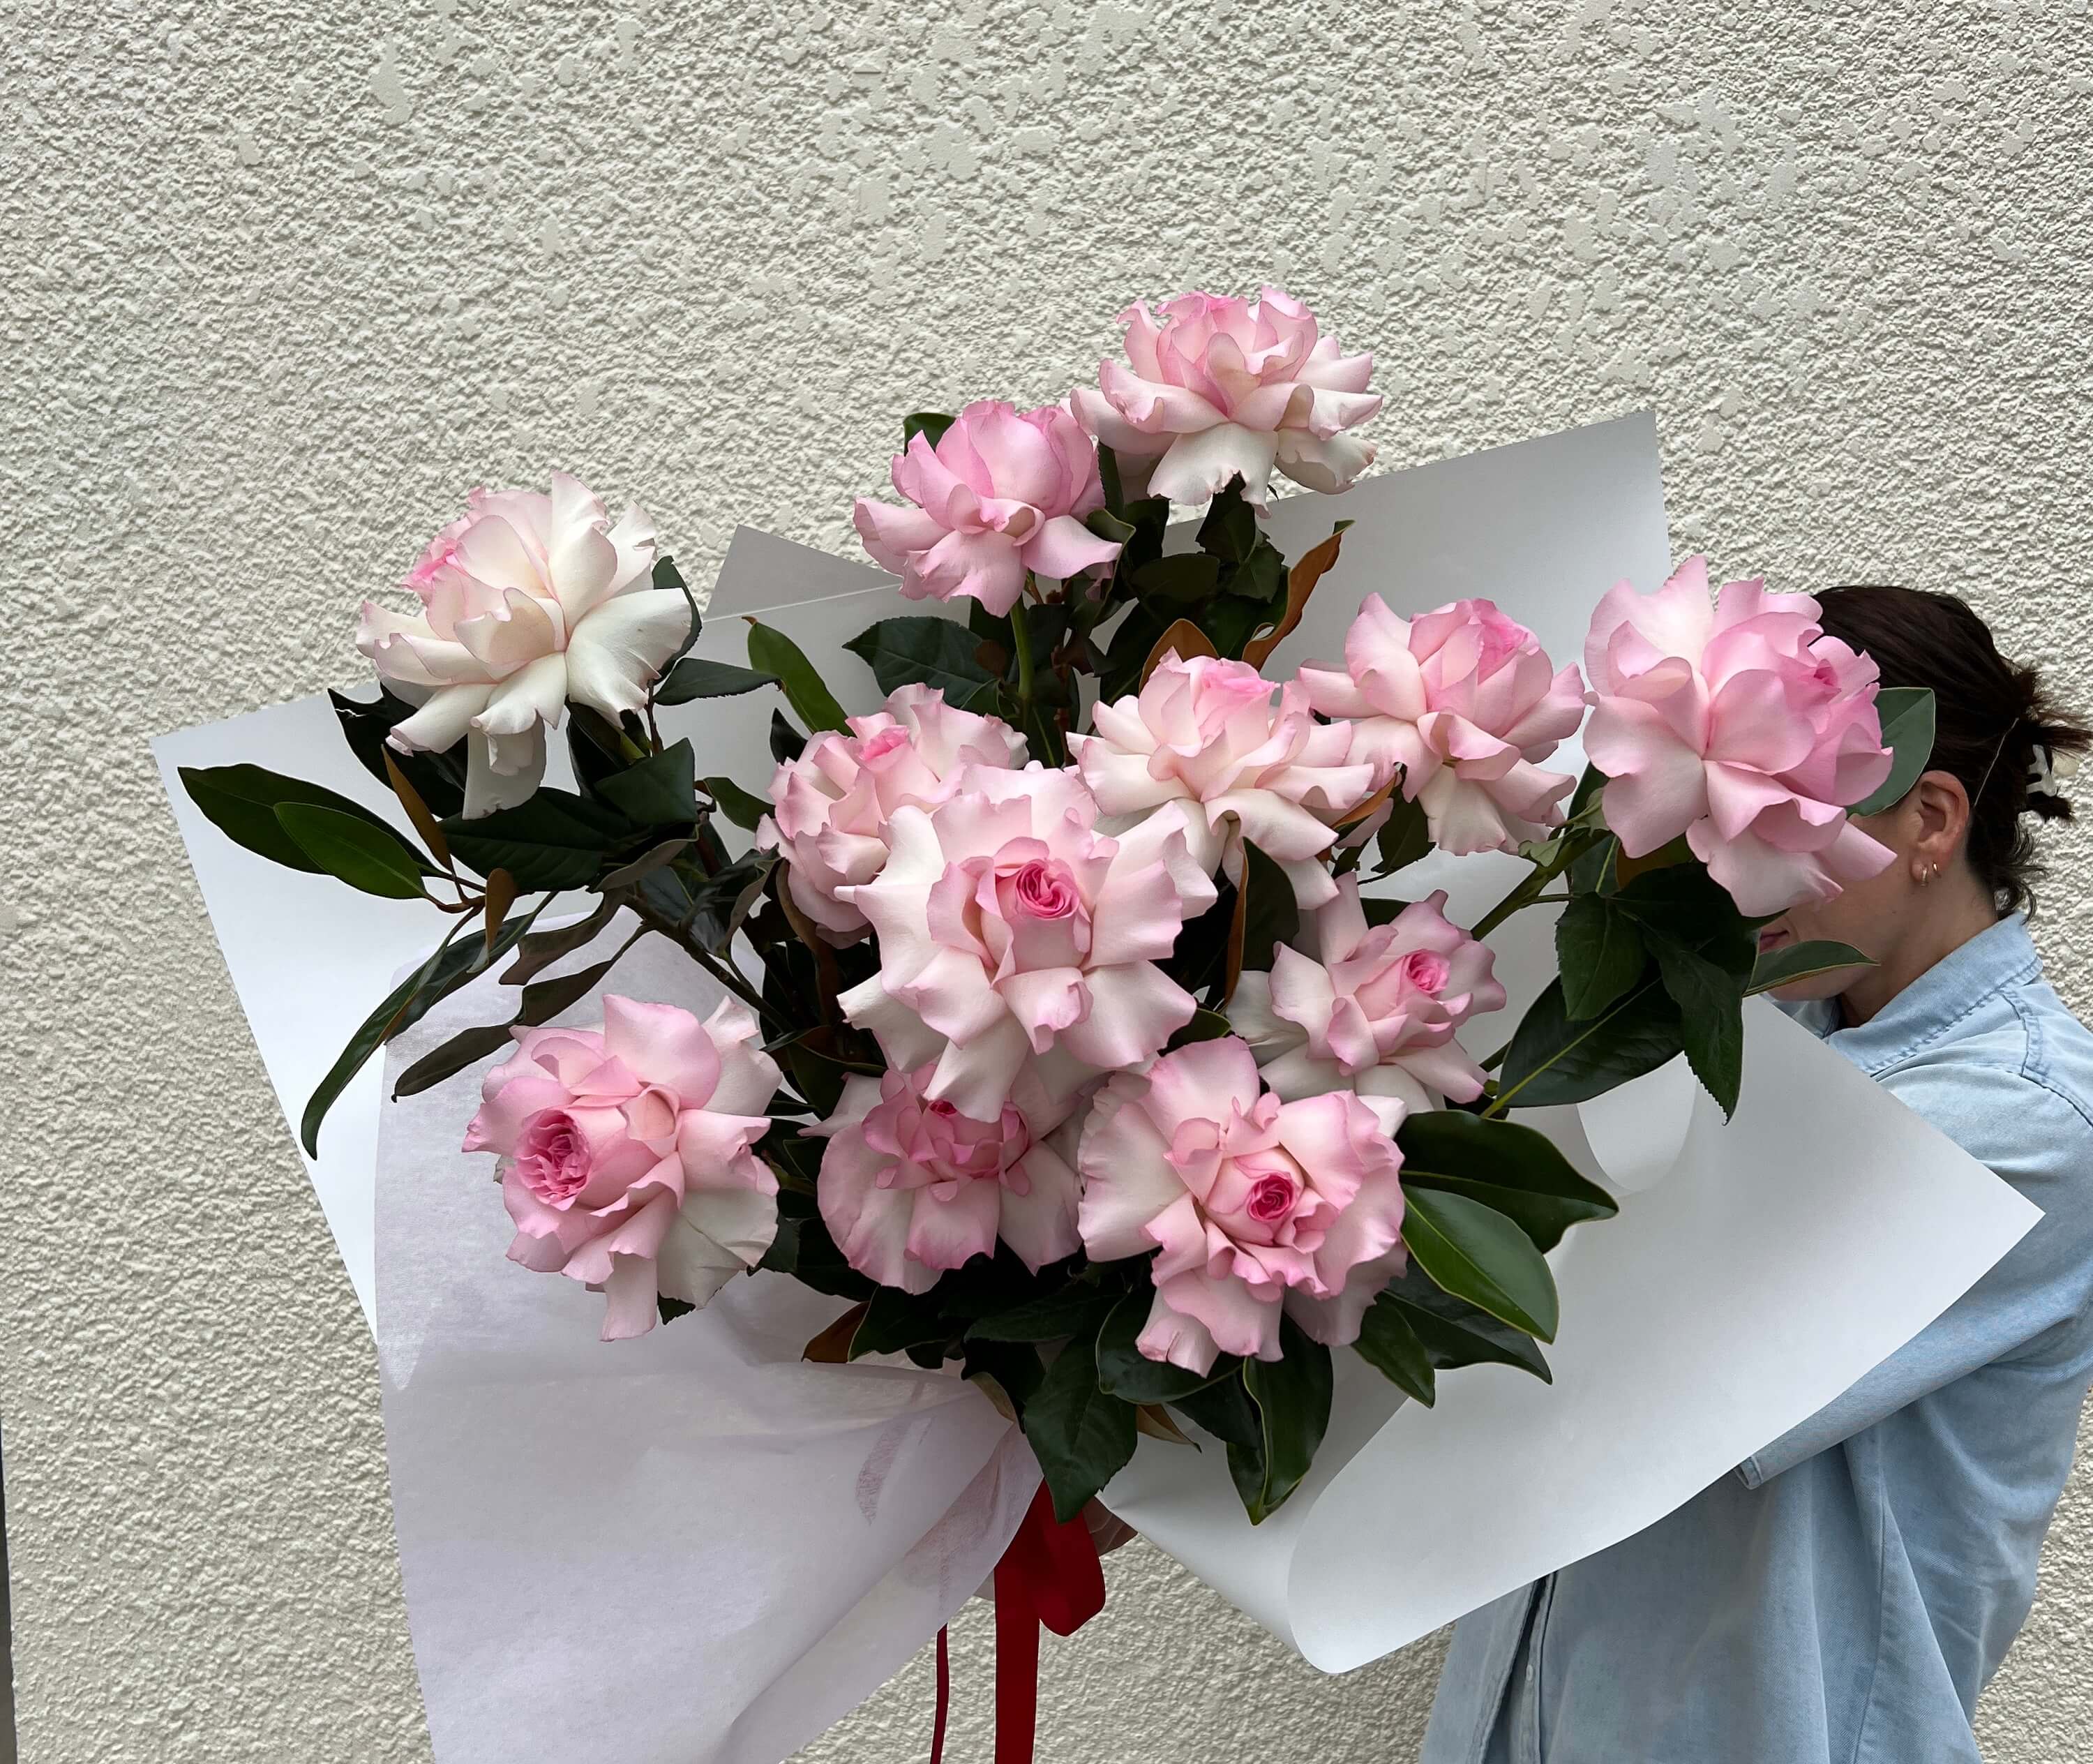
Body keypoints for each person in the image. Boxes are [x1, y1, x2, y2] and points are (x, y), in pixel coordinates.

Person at [1421, 584, 2093, 1763]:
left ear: (1930, 819)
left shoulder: (2028, 1121)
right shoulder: (1747, 1035)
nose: (1732, 870)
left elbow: (1655, 1379)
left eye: (1781, 820)